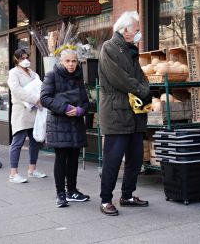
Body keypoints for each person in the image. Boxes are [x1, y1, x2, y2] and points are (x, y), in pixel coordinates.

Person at [98, 11, 152, 216]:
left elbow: (140, 76)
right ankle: (105, 200)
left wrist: (145, 88)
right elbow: (119, 78)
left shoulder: (130, 49)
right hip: (116, 112)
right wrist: (142, 90)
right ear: (126, 30)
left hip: (134, 113)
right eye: (136, 30)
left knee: (135, 158)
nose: (138, 33)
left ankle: (127, 195)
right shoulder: (109, 48)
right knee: (113, 158)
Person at [40, 49, 90, 208]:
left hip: (75, 123)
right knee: (61, 159)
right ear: (61, 62)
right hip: (58, 123)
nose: (71, 64)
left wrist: (81, 110)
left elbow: (85, 100)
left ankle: (72, 191)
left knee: (74, 159)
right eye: (67, 61)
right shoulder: (51, 75)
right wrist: (65, 108)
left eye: (74, 61)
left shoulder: (79, 76)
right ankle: (60, 194)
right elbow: (44, 98)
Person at [7, 48, 46, 183]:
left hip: (35, 110)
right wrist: (35, 99)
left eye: (27, 57)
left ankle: (32, 169)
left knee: (35, 141)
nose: (25, 60)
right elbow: (17, 91)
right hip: (21, 111)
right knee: (18, 141)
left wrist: (41, 98)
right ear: (16, 59)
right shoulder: (13, 73)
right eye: (22, 58)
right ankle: (13, 173)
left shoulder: (33, 73)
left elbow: (41, 87)